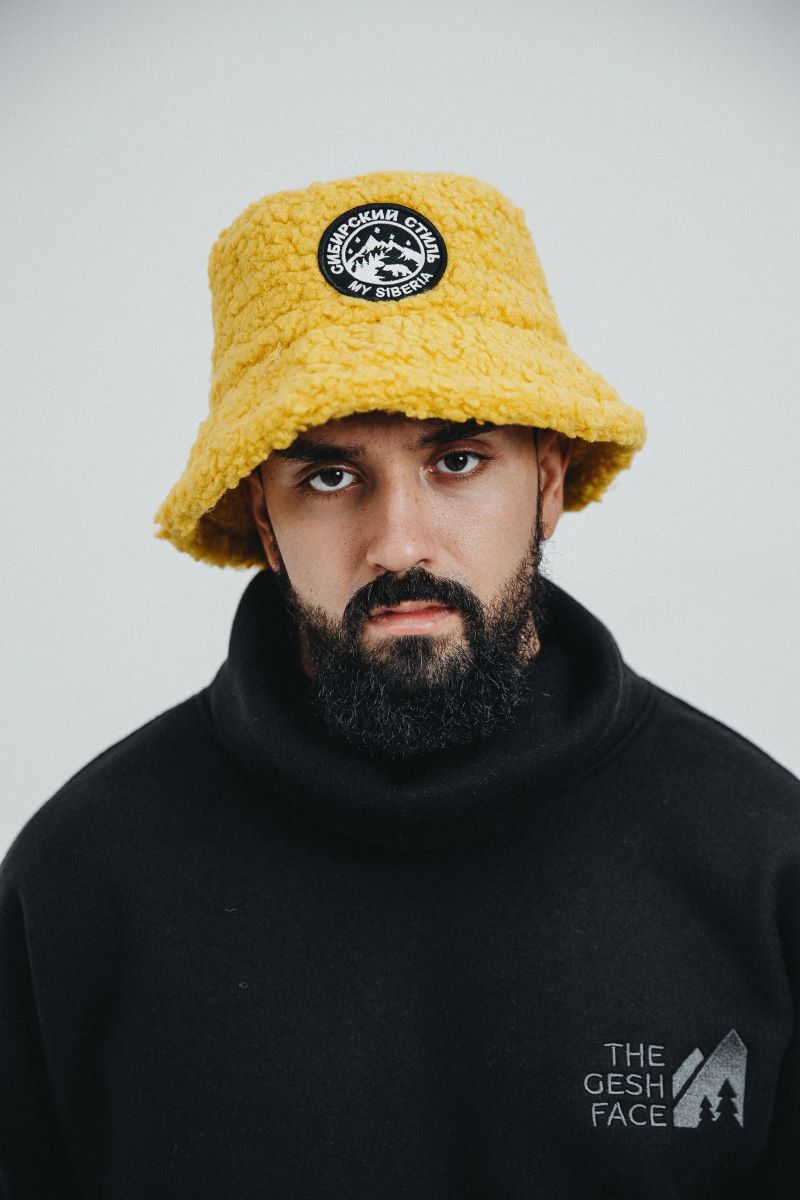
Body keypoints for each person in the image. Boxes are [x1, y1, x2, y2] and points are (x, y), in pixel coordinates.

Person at [0, 170, 797, 1200]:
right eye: (329, 476)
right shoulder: (80, 880)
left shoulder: (758, 860)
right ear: (263, 517)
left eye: (457, 460)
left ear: (548, 480)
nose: (398, 543)